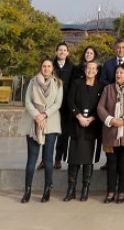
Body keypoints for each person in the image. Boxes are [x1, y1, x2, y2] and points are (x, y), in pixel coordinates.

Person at [20, 58, 63, 203]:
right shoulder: (33, 81)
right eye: (44, 66)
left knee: (48, 159)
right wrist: (37, 116)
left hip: (50, 123)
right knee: (32, 159)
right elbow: (27, 101)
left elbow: (58, 103)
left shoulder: (58, 83)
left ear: (52, 69)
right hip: (34, 123)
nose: (46, 68)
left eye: (49, 66)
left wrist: (44, 115)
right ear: (40, 68)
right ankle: (27, 190)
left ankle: (47, 189)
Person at [64, 59, 103, 201]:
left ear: (97, 71)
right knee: (73, 158)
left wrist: (92, 118)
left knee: (88, 159)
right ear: (85, 69)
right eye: (88, 68)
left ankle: (85, 188)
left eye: (94, 68)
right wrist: (79, 116)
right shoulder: (77, 83)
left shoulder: (100, 86)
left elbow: (101, 105)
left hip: (92, 127)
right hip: (76, 124)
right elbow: (70, 101)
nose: (91, 70)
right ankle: (71, 189)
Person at [97, 63, 124, 204]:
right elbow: (100, 107)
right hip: (110, 131)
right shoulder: (108, 89)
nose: (118, 75)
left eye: (121, 73)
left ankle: (121, 191)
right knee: (112, 163)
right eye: (117, 73)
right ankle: (110, 191)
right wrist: (110, 119)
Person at [52, 42, 75, 171]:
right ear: (56, 52)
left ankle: (58, 158)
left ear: (67, 53)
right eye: (60, 50)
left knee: (63, 133)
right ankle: (45, 159)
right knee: (49, 133)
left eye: (64, 50)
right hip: (51, 105)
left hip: (65, 105)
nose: (62, 52)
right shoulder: (51, 66)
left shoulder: (72, 67)